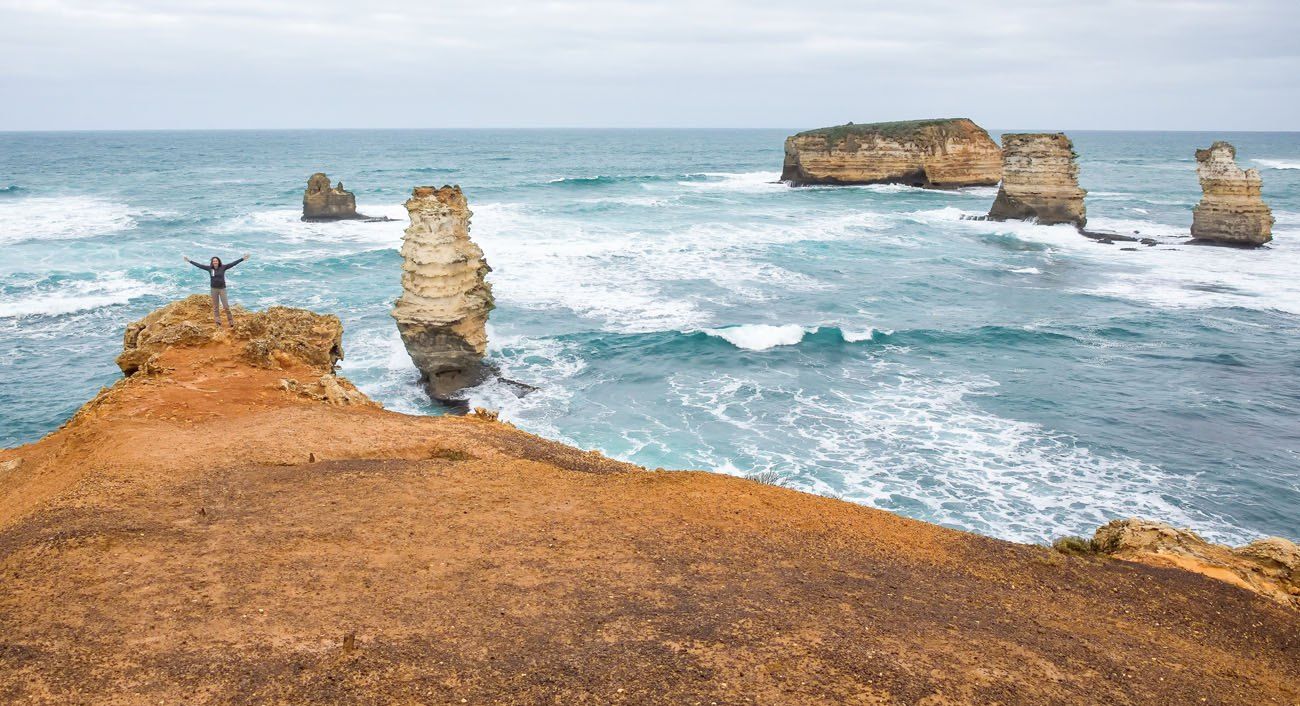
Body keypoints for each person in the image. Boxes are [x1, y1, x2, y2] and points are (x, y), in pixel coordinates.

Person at [184, 253, 250, 327]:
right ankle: (218, 322)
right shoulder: (209, 268)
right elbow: (199, 265)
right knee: (216, 307)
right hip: (214, 289)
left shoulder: (223, 267)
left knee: (226, 306)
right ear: (212, 262)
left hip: (222, 289)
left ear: (219, 261)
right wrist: (189, 261)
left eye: (216, 261)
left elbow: (233, 264)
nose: (215, 262)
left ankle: (231, 321)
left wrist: (242, 259)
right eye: (214, 261)